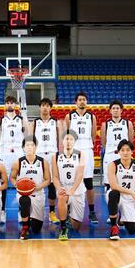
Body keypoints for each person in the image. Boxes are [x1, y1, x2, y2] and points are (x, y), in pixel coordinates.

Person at [0, 96, 29, 223]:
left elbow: (27, 137)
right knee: (3, 183)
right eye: (7, 102)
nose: (9, 104)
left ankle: (21, 212)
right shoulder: (0, 120)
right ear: (5, 105)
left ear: (15, 105)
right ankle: (2, 211)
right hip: (4, 153)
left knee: (20, 183)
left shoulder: (21, 119)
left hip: (18, 152)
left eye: (12, 102)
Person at [64, 92, 98, 223]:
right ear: (75, 102)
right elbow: (67, 134)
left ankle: (92, 211)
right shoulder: (69, 116)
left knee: (88, 182)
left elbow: (93, 135)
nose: (82, 101)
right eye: (80, 100)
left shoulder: (91, 117)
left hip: (87, 151)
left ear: (86, 102)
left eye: (84, 99)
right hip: (73, 151)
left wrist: (87, 146)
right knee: (70, 182)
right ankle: (68, 212)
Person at [10, 136, 50, 240]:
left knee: (37, 229)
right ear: (23, 148)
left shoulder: (43, 162)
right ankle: (25, 227)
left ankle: (27, 216)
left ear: (36, 147)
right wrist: (17, 185)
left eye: (32, 145)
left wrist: (37, 187)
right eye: (27, 145)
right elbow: (12, 178)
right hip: (23, 194)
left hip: (38, 194)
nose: (29, 147)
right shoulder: (18, 162)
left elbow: (47, 180)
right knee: (25, 200)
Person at [52, 130, 87, 240]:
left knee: (76, 227)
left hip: (77, 191)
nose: (68, 141)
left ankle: (67, 215)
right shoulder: (56, 156)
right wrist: (59, 188)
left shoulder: (81, 154)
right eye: (66, 139)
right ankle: (63, 227)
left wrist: (72, 191)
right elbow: (55, 177)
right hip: (63, 189)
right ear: (62, 141)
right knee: (62, 197)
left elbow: (80, 175)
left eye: (71, 139)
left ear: (75, 141)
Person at [107, 140, 135, 240]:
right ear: (119, 152)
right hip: (116, 196)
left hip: (129, 199)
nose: (125, 152)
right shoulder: (113, 165)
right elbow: (113, 185)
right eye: (122, 150)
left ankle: (121, 220)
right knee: (113, 193)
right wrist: (131, 192)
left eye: (128, 150)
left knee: (132, 230)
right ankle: (114, 226)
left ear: (132, 151)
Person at [31, 98, 60, 223]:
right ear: (39, 107)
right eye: (43, 105)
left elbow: (59, 139)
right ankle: (35, 212)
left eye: (47, 105)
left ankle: (52, 213)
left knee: (52, 185)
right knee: (37, 184)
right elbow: (31, 140)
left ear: (50, 108)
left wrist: (58, 154)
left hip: (52, 154)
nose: (45, 108)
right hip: (39, 154)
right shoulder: (35, 122)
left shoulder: (56, 122)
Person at [101, 100, 134, 191]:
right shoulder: (105, 124)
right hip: (110, 155)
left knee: (123, 181)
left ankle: (124, 203)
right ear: (110, 111)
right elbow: (103, 142)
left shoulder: (128, 124)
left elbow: (130, 141)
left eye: (117, 108)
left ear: (121, 110)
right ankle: (110, 203)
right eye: (113, 108)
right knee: (108, 182)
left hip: (123, 155)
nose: (115, 110)